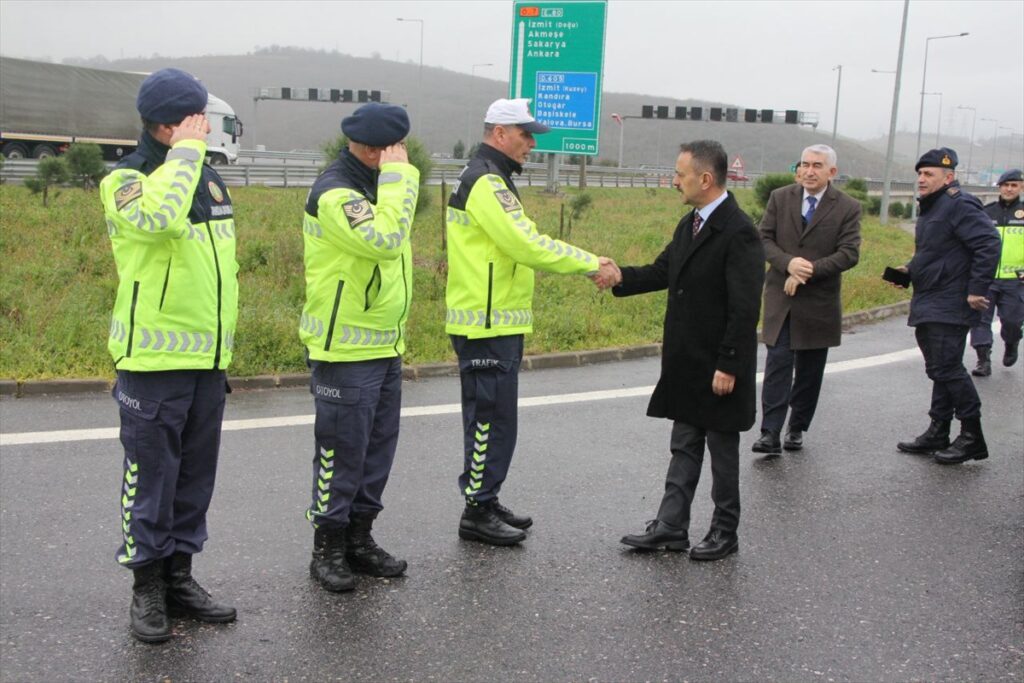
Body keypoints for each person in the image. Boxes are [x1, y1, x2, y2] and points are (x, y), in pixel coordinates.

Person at [101, 68, 238, 643]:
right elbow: (158, 220)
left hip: (207, 362)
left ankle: (180, 576)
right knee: (150, 480)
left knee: (192, 481)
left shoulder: (207, 180)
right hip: (152, 364)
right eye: (194, 120)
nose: (206, 128)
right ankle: (147, 588)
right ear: (166, 125)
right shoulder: (126, 181)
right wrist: (184, 156)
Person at [445, 98, 605, 546]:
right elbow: (527, 245)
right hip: (485, 322)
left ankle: (487, 497)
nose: (532, 143)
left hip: (498, 319)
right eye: (525, 134)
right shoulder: (485, 181)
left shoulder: (493, 177)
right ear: (499, 133)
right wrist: (590, 262)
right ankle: (476, 510)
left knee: (498, 420)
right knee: (487, 421)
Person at [597, 140, 764, 561]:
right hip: (688, 362)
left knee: (723, 452)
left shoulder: (739, 231)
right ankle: (671, 526)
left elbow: (745, 309)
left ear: (705, 179)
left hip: (720, 365)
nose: (674, 181)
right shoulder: (689, 224)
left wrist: (729, 365)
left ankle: (725, 531)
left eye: (680, 174)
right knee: (684, 444)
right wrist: (617, 277)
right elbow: (661, 271)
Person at [300, 103, 419, 592]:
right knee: (340, 453)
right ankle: (327, 547)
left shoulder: (374, 186)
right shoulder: (336, 191)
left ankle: (360, 538)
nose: (401, 156)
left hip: (383, 342)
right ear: (375, 150)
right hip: (343, 348)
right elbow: (385, 240)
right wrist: (400, 179)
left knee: (376, 451)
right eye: (395, 150)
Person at [752, 144, 861, 455]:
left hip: (818, 302)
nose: (809, 171)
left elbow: (849, 253)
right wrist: (788, 263)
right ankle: (769, 432)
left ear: (832, 172)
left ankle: (797, 427)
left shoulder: (847, 207)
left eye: (817, 165)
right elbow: (762, 239)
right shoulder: (780, 197)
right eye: (805, 164)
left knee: (810, 371)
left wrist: (808, 269)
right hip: (781, 297)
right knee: (778, 363)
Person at [894, 148, 1000, 465]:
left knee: (947, 368)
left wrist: (976, 290)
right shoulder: (934, 207)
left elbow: (989, 242)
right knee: (940, 368)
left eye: (928, 174)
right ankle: (938, 431)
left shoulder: (958, 204)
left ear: (948, 177)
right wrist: (906, 271)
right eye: (919, 174)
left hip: (950, 300)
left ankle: (972, 437)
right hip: (930, 297)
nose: (921, 180)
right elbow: (935, 252)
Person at [969, 169, 1024, 376]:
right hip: (986, 278)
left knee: (1012, 322)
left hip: (1015, 280)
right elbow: (973, 242)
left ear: (1021, 187)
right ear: (999, 187)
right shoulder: (986, 212)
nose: (1009, 189)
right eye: (1005, 185)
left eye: (1014, 185)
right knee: (979, 319)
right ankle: (983, 360)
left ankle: (1012, 342)